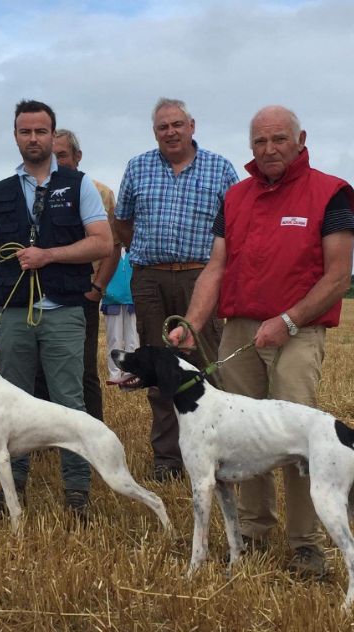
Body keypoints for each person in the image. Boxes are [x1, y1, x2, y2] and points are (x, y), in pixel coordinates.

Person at [173, 105, 354, 580]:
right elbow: (216, 268)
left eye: (279, 139)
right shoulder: (235, 197)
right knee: (242, 434)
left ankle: (304, 545)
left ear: (301, 138)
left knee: (297, 436)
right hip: (240, 328)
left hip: (298, 329)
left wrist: (289, 320)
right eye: (260, 142)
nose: (269, 149)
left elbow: (338, 276)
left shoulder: (331, 192)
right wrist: (193, 325)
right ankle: (254, 534)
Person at [0, 99, 112, 520]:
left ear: (53, 136)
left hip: (64, 312)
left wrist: (48, 255)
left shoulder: (79, 185)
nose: (33, 139)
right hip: (14, 314)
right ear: (15, 135)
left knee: (70, 402)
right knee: (10, 404)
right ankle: (11, 490)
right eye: (25, 131)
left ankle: (77, 494)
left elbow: (103, 242)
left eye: (40, 131)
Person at [114, 97, 238, 481]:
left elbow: (236, 228)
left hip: (201, 276)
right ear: (155, 132)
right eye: (162, 127)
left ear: (192, 126)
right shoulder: (137, 167)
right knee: (158, 367)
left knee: (207, 364)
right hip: (150, 278)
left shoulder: (220, 169)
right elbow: (122, 223)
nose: (170, 132)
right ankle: (167, 458)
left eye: (177, 124)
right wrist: (144, 258)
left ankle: (217, 453)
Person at [31, 128, 120, 420]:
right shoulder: (32, 191)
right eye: (51, 156)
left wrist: (97, 288)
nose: (56, 162)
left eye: (63, 156)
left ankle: (93, 435)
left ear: (78, 157)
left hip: (82, 295)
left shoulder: (100, 192)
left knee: (82, 369)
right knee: (40, 369)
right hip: (41, 294)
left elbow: (113, 246)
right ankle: (45, 437)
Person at [101, 247, 139, 384]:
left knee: (133, 339)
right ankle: (115, 374)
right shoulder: (109, 251)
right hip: (111, 299)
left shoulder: (135, 249)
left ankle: (131, 373)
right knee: (114, 339)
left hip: (133, 298)